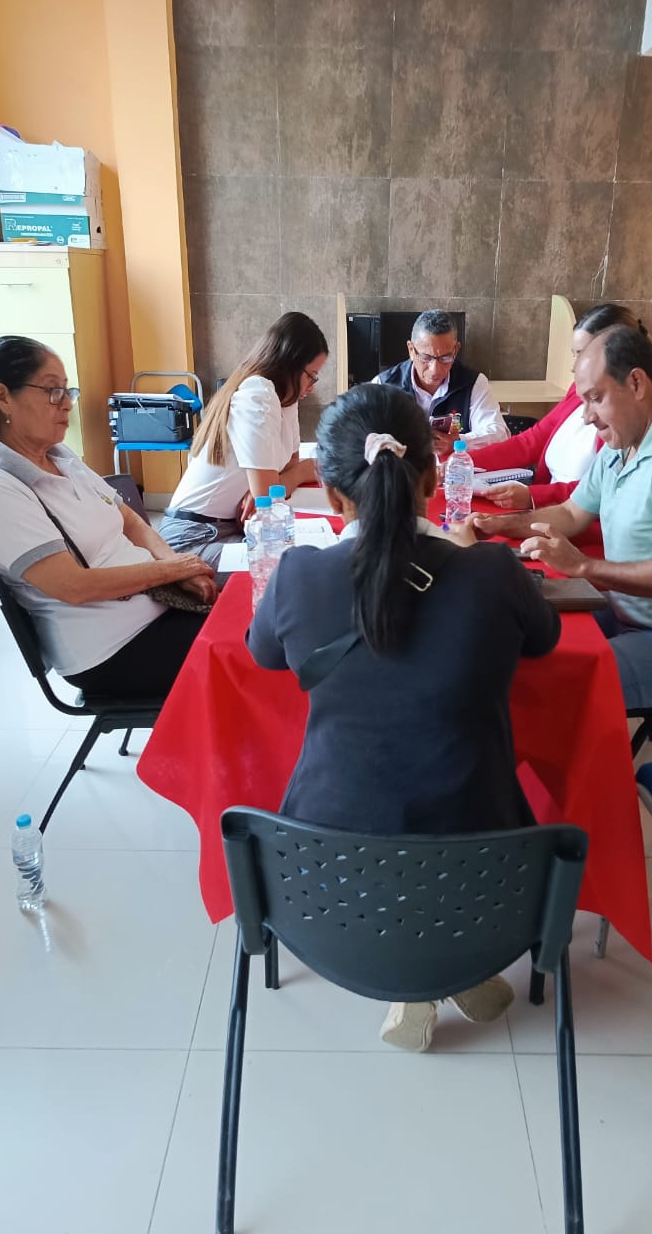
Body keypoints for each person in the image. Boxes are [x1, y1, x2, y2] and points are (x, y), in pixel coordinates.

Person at [247, 383, 560, 1053]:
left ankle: (424, 979)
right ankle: (445, 973)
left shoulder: (299, 575)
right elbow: (544, 640)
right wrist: (471, 554)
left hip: (320, 887)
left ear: (333, 497)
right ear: (432, 478)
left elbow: (263, 653)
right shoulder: (492, 572)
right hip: (494, 887)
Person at [471, 326, 652, 711]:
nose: (587, 416)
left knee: (543, 685)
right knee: (512, 640)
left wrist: (584, 566)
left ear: (636, 383)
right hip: (631, 612)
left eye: (595, 398)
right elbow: (572, 512)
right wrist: (499, 524)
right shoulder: (624, 438)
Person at [0, 336, 216, 699]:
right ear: (2, 397)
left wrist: (176, 566)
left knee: (261, 609)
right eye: (52, 391)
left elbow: (130, 521)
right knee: (255, 648)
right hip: (113, 649)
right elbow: (74, 586)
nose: (66, 404)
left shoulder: (61, 457)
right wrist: (172, 570)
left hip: (158, 605)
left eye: (67, 391)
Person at [159, 312, 326, 569]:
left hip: (230, 527)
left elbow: (285, 471)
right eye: (311, 375)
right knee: (291, 571)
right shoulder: (257, 394)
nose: (312, 386)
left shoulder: (286, 399)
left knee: (305, 557)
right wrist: (299, 472)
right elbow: (269, 497)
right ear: (290, 365)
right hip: (193, 537)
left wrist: (279, 480)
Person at [473, 304, 648, 533]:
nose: (575, 367)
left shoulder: (628, 422)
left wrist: (532, 497)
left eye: (582, 355)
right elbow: (530, 441)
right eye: (574, 355)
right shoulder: (577, 392)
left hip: (576, 531)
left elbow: (599, 500)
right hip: (551, 519)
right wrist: (465, 462)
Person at [373, 309, 508, 453]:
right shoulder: (383, 385)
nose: (435, 370)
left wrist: (459, 441)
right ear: (411, 350)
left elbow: (500, 434)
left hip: (454, 465)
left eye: (445, 358)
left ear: (456, 350)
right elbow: (364, 436)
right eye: (426, 358)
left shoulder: (473, 383)